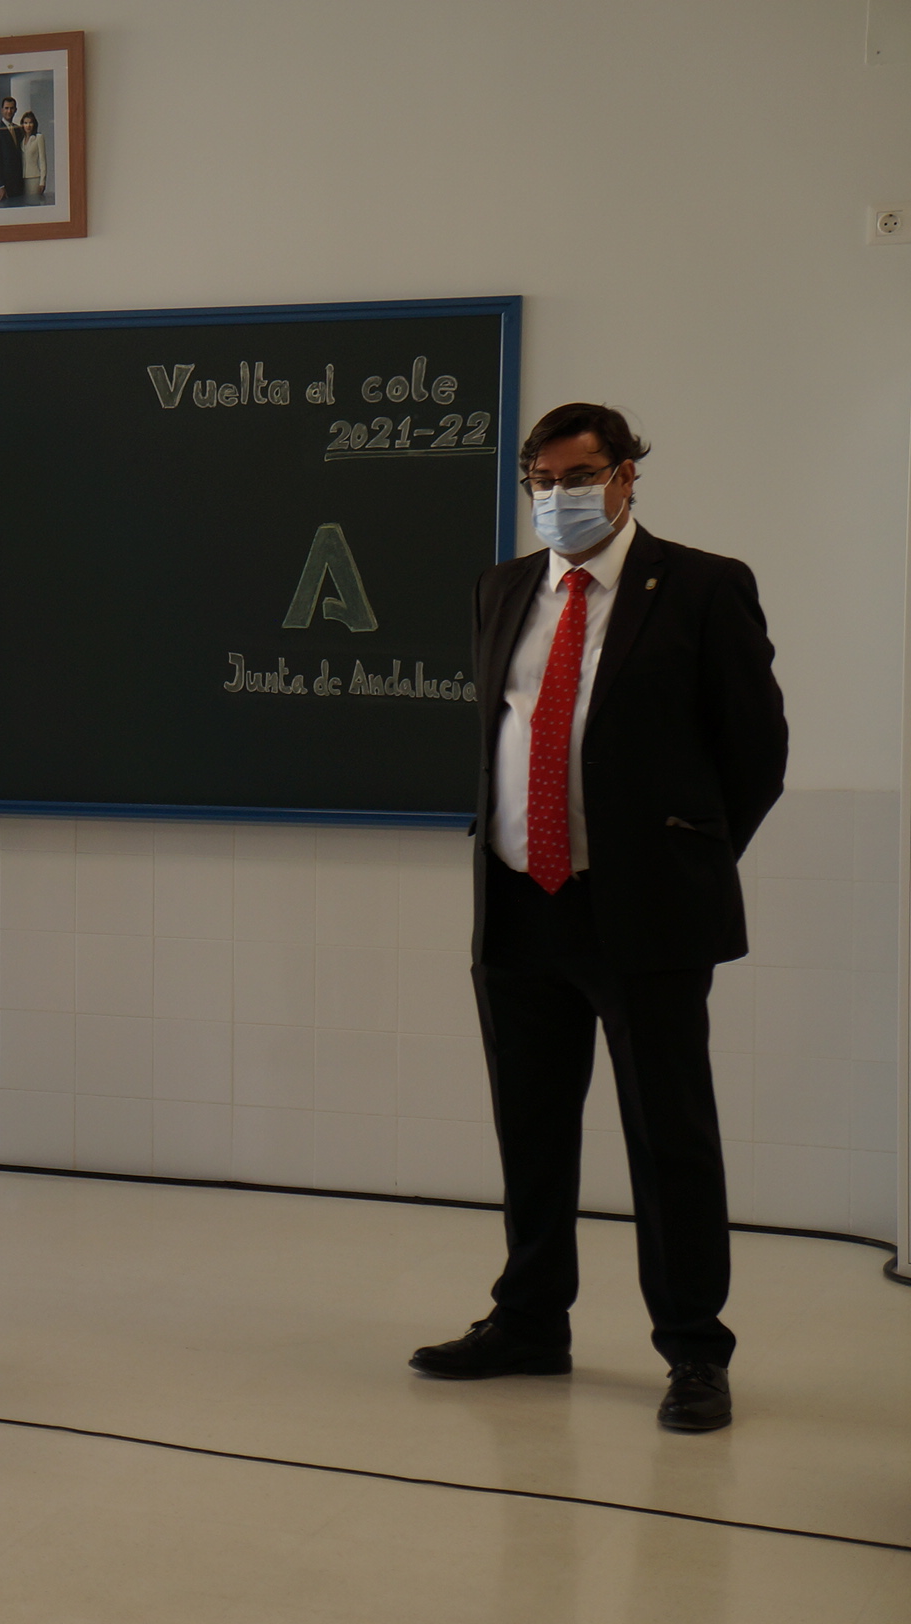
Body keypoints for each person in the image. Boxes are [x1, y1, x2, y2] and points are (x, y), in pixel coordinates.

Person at [410, 404, 786, 1433]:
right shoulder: (503, 589)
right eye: (541, 477)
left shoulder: (704, 587)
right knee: (531, 1126)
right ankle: (530, 1318)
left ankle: (695, 1350)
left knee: (670, 1138)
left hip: (648, 913)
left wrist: (682, 856)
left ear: (626, 478)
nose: (556, 496)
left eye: (577, 476)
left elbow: (756, 752)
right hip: (521, 901)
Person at [19, 110, 48, 203]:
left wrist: (42, 182)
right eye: (25, 123)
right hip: (22, 178)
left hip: (34, 177)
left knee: (33, 203)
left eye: (30, 123)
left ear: (34, 124)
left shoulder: (38, 137)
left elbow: (43, 161)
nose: (28, 125)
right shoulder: (21, 140)